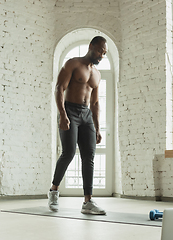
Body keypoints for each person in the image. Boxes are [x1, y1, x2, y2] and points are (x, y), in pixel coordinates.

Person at [48, 36, 107, 215]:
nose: (101, 55)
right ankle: (54, 191)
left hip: (86, 114)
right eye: (99, 51)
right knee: (68, 153)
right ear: (91, 47)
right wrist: (63, 115)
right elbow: (59, 88)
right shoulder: (72, 64)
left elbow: (95, 103)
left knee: (89, 156)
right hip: (70, 111)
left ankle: (88, 201)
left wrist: (97, 127)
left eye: (104, 53)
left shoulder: (97, 74)